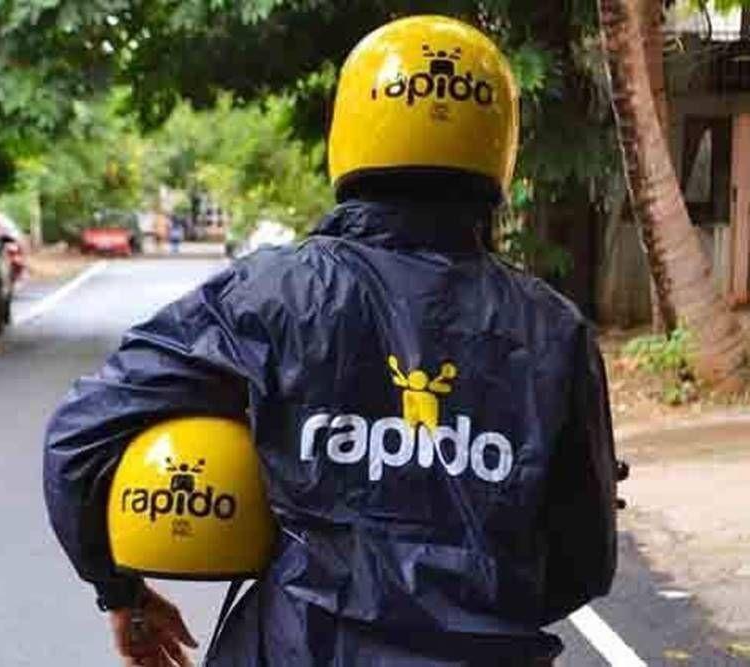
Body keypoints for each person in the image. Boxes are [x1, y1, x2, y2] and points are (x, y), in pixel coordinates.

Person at [43, 15, 617, 666]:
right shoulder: (554, 330)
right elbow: (585, 562)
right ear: (499, 141)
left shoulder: (269, 296)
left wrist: (121, 593)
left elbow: (78, 438)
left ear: (350, 128)